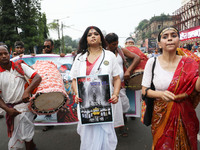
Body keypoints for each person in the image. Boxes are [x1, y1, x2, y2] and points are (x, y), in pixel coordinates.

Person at [141, 26, 200, 150]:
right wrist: (160, 95)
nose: (169, 39)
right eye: (165, 37)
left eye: (173, 36)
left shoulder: (190, 62)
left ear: (178, 41)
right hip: (160, 114)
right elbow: (145, 90)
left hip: (185, 114)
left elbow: (197, 88)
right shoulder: (152, 62)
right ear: (159, 44)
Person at [70, 26, 121, 150]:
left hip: (105, 104)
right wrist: (77, 94)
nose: (93, 36)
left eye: (96, 34)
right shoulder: (80, 58)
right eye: (89, 34)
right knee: (88, 138)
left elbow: (117, 78)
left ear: (101, 38)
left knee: (106, 139)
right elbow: (74, 80)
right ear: (86, 39)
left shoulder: (109, 56)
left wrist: (116, 94)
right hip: (85, 105)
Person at [0, 45, 42, 150]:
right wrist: (7, 109)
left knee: (26, 134)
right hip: (10, 109)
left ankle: (31, 147)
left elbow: (37, 77)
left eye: (5, 53)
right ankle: (33, 147)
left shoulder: (19, 66)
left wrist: (27, 91)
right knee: (19, 135)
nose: (4, 56)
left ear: (9, 53)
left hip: (25, 107)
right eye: (0, 54)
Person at [105, 33, 140, 136]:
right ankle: (121, 127)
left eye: (116, 43)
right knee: (115, 105)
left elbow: (137, 58)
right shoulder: (103, 53)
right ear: (107, 44)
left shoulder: (120, 50)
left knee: (124, 104)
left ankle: (122, 120)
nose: (115, 46)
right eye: (112, 44)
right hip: (107, 84)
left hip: (121, 83)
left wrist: (128, 71)